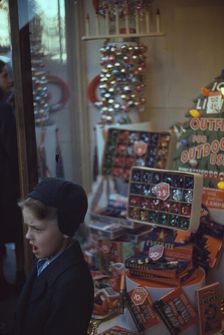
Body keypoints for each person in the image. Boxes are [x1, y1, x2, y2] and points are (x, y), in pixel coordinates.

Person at [13, 177, 94, 335]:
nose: (28, 236)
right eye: (28, 227)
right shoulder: (46, 258)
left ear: (66, 228)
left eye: (37, 229)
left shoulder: (73, 284)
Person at [0, 59, 24, 298]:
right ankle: (20, 275)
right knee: (17, 231)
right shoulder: (4, 110)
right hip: (6, 186)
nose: (9, 81)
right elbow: (12, 149)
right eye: (5, 75)